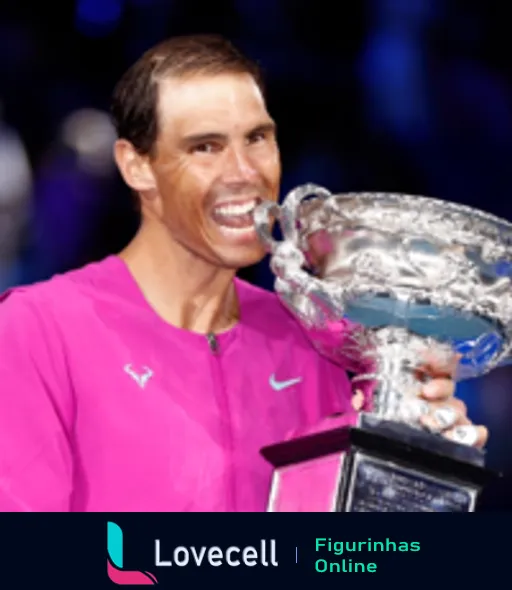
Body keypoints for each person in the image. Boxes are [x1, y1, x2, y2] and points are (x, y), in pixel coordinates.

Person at [0, 34, 487, 512]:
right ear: (137, 166)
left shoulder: (318, 342)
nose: (244, 172)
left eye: (257, 138)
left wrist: (416, 473)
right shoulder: (39, 330)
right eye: (205, 147)